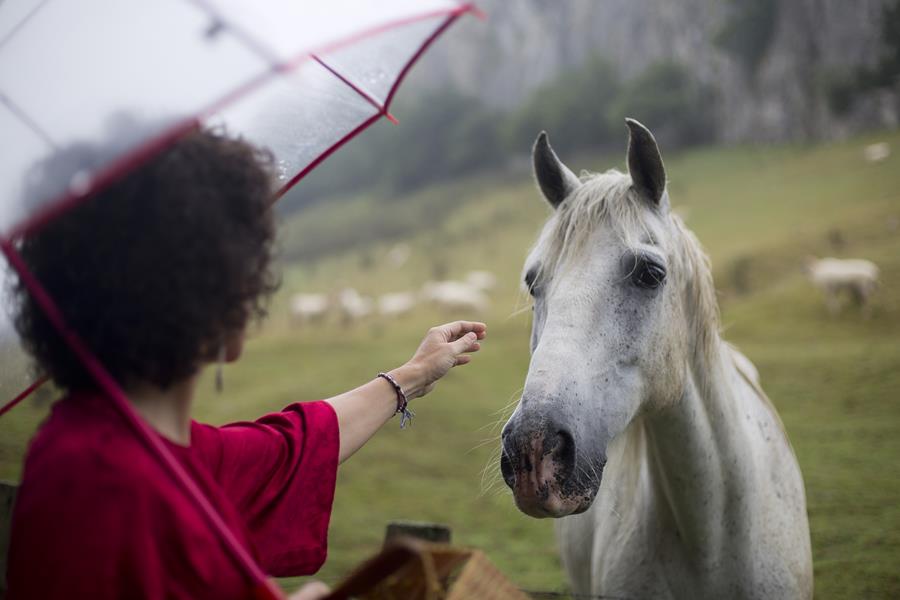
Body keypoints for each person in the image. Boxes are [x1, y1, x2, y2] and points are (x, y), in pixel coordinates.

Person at [5, 130, 486, 599]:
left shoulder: (141, 451)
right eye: (241, 262)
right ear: (201, 285)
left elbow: (291, 449)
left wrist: (415, 374)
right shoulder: (104, 488)